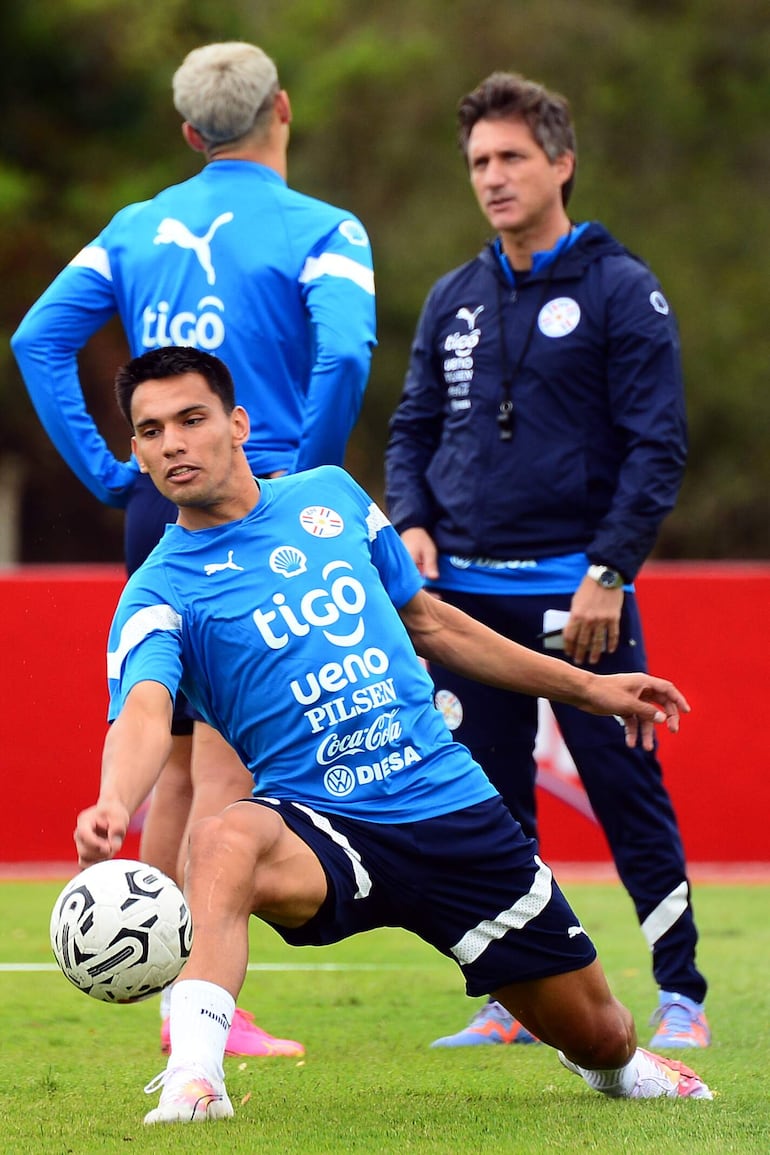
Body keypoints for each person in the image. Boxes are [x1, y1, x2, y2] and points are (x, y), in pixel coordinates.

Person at [75, 346, 711, 1124]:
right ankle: (194, 1079)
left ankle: (621, 1068)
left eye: (190, 419)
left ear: (237, 424)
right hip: (321, 825)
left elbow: (432, 623)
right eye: (150, 430)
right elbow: (143, 706)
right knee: (221, 840)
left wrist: (590, 688)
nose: (172, 442)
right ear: (137, 454)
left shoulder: (332, 498)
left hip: (450, 809)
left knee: (601, 1034)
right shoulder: (158, 590)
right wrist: (114, 798)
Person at [11, 41, 376, 1056]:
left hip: (154, 515)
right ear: (283, 112)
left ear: (188, 134)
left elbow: (36, 340)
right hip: (254, 507)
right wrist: (307, 476)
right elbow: (344, 351)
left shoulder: (134, 228)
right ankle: (201, 1008)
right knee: (223, 770)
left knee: (177, 766)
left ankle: (171, 986)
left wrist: (103, 466)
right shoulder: (325, 229)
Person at [384, 70, 708, 1052]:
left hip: (581, 596)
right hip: (464, 603)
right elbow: (411, 428)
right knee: (483, 807)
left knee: (624, 793)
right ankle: (513, 1001)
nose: (491, 177)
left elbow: (656, 445)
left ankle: (679, 996)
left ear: (559, 164)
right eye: (478, 161)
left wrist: (608, 569)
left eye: (511, 157)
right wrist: (408, 522)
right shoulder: (454, 295)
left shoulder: (620, 288)